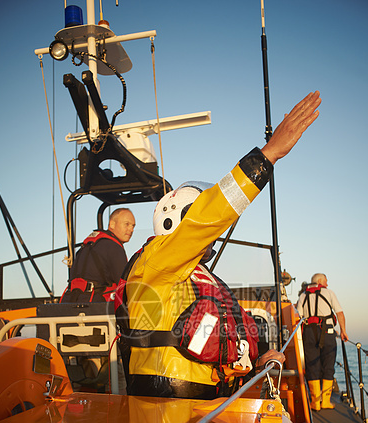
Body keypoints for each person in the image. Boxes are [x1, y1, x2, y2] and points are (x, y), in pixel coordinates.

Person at [115, 91, 321, 399]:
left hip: (211, 399)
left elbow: (228, 328)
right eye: (199, 221)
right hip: (168, 406)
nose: (211, 232)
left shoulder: (198, 275)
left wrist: (258, 360)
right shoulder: (157, 260)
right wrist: (268, 156)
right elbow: (209, 215)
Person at [60, 208, 135, 303]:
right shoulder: (114, 247)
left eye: (133, 226)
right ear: (112, 224)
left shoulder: (87, 245)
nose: (131, 229)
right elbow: (125, 285)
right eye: (127, 224)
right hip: (95, 306)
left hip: (70, 301)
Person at [296, 273, 348, 410]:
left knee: (312, 366)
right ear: (320, 281)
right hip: (327, 331)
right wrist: (343, 331)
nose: (327, 284)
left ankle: (315, 402)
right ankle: (325, 401)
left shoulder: (303, 296)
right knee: (328, 365)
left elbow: (298, 317)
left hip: (309, 333)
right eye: (326, 281)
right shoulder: (329, 293)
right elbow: (339, 313)